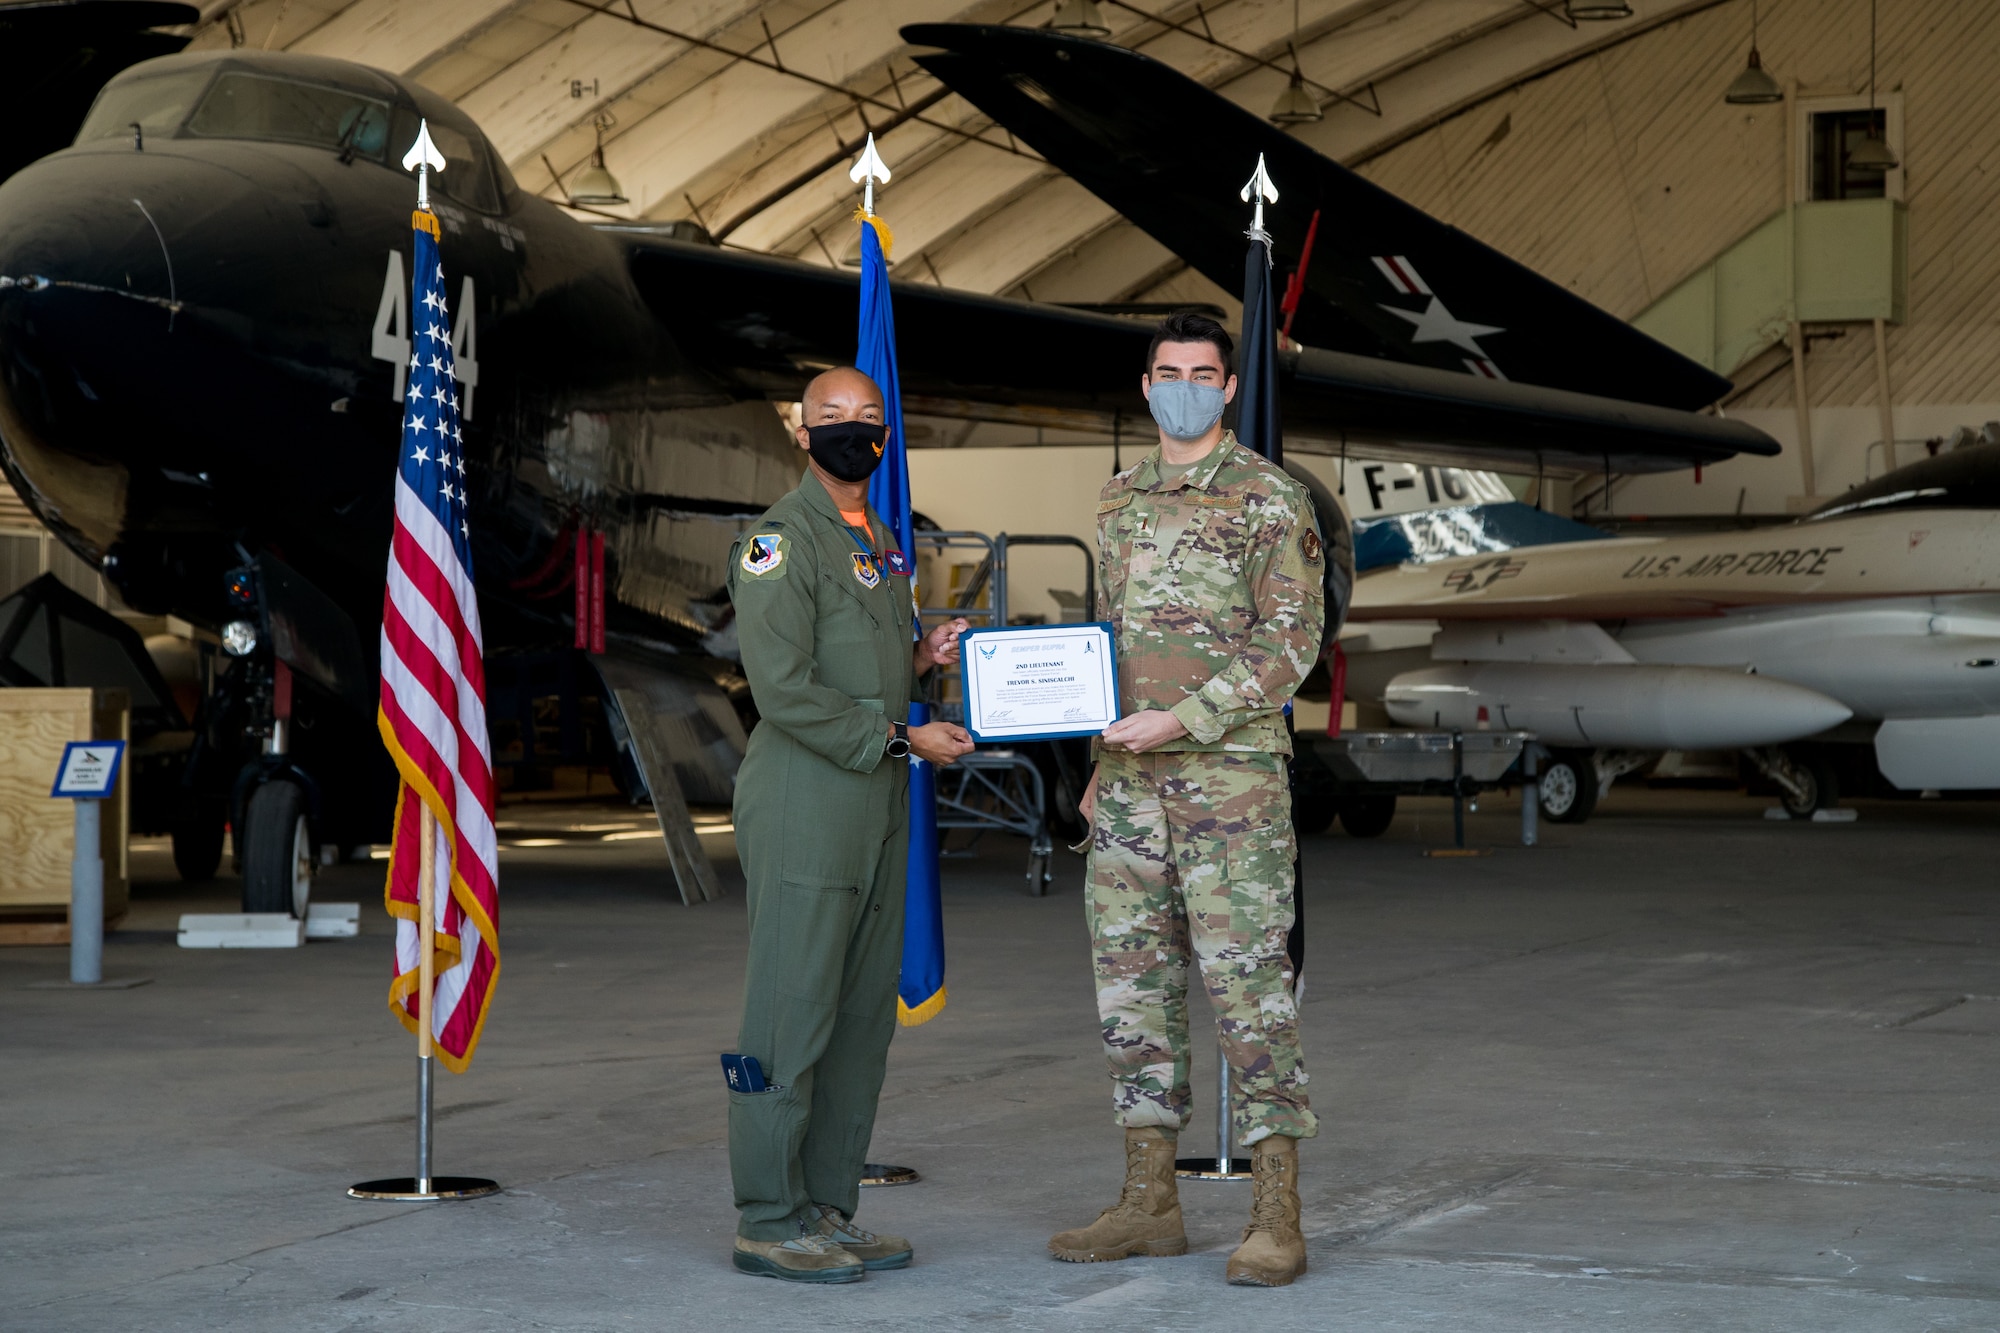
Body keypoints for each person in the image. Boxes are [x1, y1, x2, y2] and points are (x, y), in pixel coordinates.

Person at [1048, 311, 1327, 1287]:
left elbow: (1291, 644)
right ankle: (1147, 1203)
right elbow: (1117, 643)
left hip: (1230, 785)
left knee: (1248, 990)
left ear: (1225, 388)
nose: (1181, 385)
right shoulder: (1118, 498)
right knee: (1133, 987)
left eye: (1200, 372)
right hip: (1128, 788)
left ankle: (1275, 1214)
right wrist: (1101, 755)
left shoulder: (1265, 497)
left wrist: (1183, 719)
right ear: (1144, 384)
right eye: (1165, 370)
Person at [725, 366, 974, 1283]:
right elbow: (784, 689)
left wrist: (921, 653)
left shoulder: (878, 541)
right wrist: (903, 731)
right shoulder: (778, 541)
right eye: (833, 417)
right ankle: (767, 1214)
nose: (853, 430)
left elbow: (859, 661)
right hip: (807, 794)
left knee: (863, 1012)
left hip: (876, 792)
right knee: (791, 1012)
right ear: (799, 430)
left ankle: (826, 1206)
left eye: (869, 418)